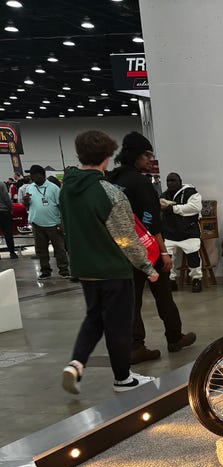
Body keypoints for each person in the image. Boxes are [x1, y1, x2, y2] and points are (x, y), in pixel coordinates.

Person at [59, 130, 159, 395]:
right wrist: (147, 267)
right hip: (112, 270)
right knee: (118, 325)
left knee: (94, 318)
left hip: (85, 269)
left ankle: (76, 363)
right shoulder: (108, 193)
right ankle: (123, 378)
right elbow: (126, 237)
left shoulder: (67, 189)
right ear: (106, 156)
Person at [107, 132, 196, 363]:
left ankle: (136, 344)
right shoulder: (140, 182)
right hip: (148, 249)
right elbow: (152, 221)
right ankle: (174, 338)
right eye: (146, 155)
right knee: (163, 294)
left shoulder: (111, 181)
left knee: (132, 300)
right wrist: (163, 251)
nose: (150, 159)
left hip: (122, 249)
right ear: (135, 155)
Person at [21, 165, 70, 278]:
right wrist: (26, 202)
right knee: (41, 250)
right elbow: (27, 206)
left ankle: (64, 270)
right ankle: (45, 270)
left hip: (53, 224)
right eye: (31, 175)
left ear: (41, 175)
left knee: (59, 248)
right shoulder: (29, 188)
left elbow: (61, 206)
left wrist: (61, 223)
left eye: (34, 175)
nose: (32, 177)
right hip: (37, 224)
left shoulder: (54, 188)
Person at [160, 172, 203, 292]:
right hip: (170, 233)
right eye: (168, 181)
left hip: (189, 232)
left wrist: (173, 208)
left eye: (173, 180)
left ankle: (196, 279)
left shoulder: (191, 192)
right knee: (166, 258)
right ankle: (171, 280)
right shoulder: (164, 195)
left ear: (180, 181)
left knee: (193, 256)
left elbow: (195, 208)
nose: (170, 183)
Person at [0, 178, 20, 259]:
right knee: (8, 233)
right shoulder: (1, 184)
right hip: (4, 211)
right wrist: (11, 208)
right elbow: (6, 197)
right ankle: (12, 253)